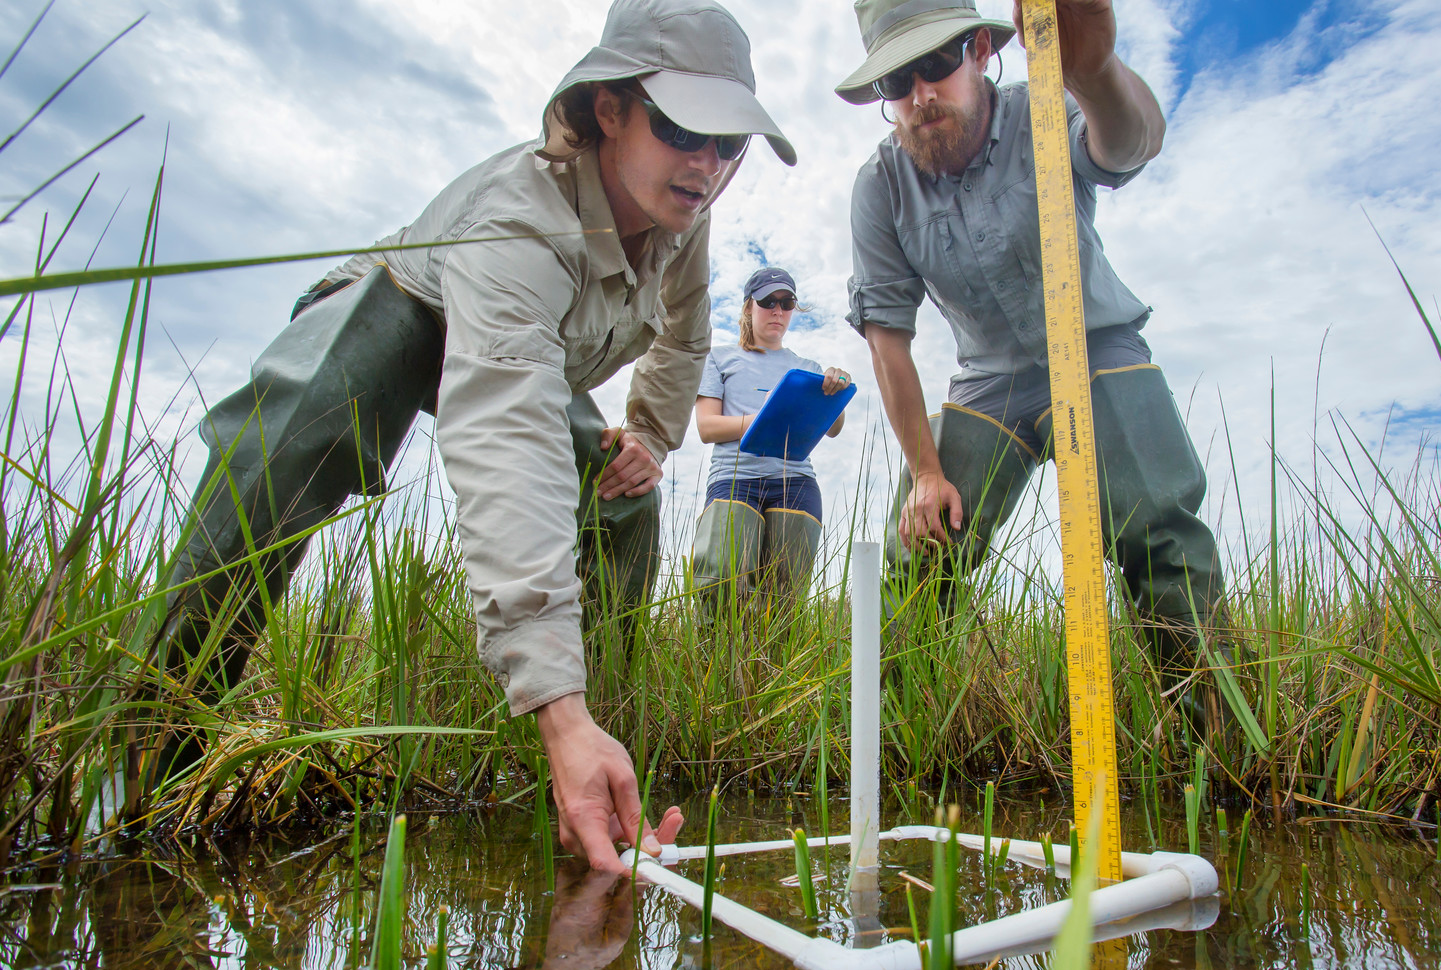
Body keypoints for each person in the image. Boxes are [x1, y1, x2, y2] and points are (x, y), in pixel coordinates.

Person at [146, 0, 794, 870]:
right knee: (287, 449)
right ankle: (149, 746)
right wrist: (551, 698)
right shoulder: (517, 216)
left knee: (625, 500)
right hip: (410, 303)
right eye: (684, 128)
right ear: (609, 110)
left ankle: (596, 753)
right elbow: (506, 435)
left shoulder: (688, 218)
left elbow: (682, 334)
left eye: (730, 145)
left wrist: (648, 432)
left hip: (531, 358)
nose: (707, 165)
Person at [836, 0, 1227, 724]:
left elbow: (1130, 145)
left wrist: (1093, 72)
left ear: (980, 50)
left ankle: (1219, 749)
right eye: (897, 82)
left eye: (935, 65)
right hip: (989, 378)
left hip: (1096, 342)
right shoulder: (880, 185)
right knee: (920, 552)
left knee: (1158, 532)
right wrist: (926, 473)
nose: (920, 94)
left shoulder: (1046, 108)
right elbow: (887, 339)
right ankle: (900, 746)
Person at [690, 267, 849, 609]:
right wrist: (763, 417)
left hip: (795, 482)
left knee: (784, 600)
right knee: (721, 585)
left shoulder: (807, 367)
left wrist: (837, 391)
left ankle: (776, 665)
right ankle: (721, 664)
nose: (778, 311)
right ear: (749, 307)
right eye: (768, 301)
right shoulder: (718, 359)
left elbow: (833, 428)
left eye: (787, 302)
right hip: (735, 478)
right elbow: (707, 427)